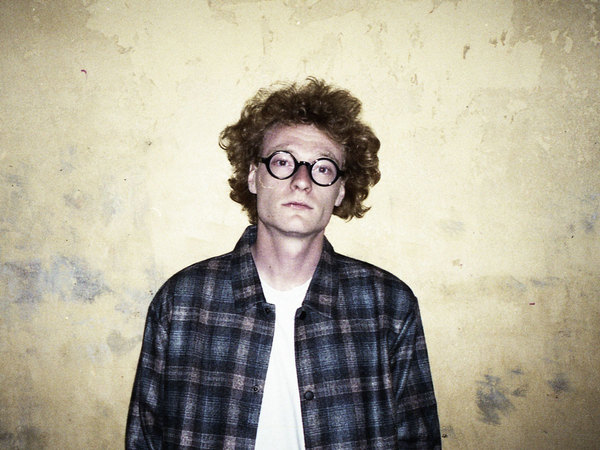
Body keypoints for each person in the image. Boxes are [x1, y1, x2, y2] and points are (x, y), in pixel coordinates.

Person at [126, 78, 441, 449]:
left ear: (340, 190)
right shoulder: (181, 303)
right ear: (253, 176)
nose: (301, 181)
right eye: (282, 162)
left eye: (323, 168)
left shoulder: (389, 306)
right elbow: (144, 439)